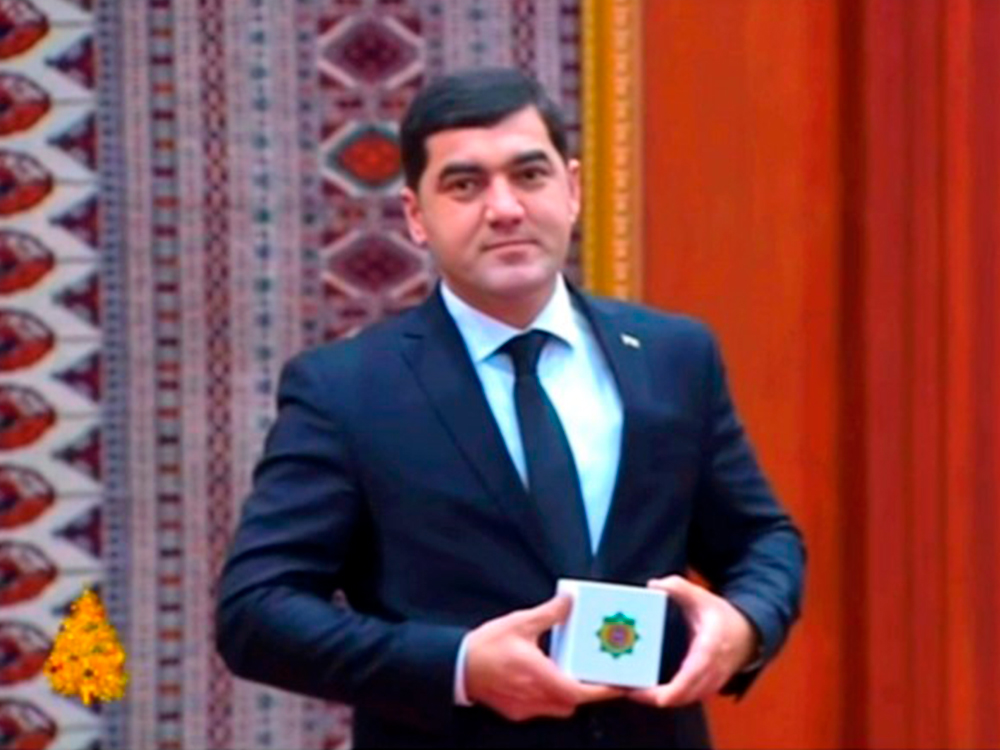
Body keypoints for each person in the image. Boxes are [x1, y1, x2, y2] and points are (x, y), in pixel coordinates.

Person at [215, 67, 805, 749]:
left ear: (572, 189)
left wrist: (745, 626)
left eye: (529, 175)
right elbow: (256, 612)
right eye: (465, 185)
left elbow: (763, 540)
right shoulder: (345, 391)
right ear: (416, 216)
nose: (505, 209)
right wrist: (459, 666)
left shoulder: (674, 357)